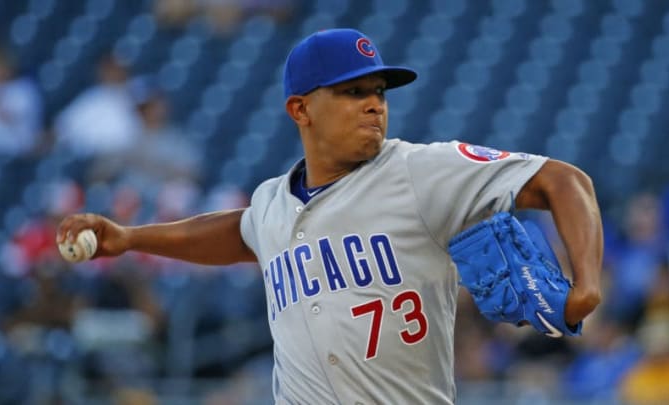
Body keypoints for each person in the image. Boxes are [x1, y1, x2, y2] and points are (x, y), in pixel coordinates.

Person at [56, 28, 603, 403]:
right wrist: (128, 237)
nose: (375, 103)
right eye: (352, 92)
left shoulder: (420, 170)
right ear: (300, 109)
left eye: (378, 91)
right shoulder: (273, 201)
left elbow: (564, 180)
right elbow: (240, 233)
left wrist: (587, 283)